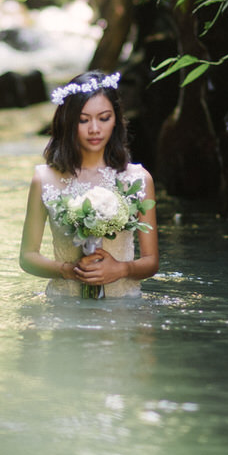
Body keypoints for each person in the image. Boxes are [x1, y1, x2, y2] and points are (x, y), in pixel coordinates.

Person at [20, 71, 159, 299]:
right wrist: (68, 270)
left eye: (104, 118)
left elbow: (151, 262)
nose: (94, 129)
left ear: (116, 120)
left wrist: (122, 268)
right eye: (83, 120)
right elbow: (27, 257)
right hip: (64, 308)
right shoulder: (44, 179)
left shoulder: (138, 179)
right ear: (68, 121)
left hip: (122, 310)